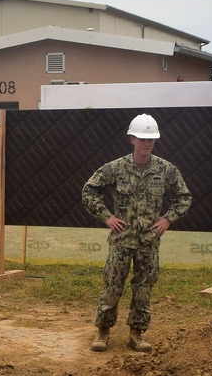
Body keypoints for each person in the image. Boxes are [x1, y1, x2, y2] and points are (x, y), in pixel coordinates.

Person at [80, 114, 191, 353]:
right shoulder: (116, 168)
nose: (147, 143)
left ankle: (136, 334)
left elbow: (184, 197)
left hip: (149, 242)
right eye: (142, 138)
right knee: (112, 286)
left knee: (143, 288)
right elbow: (89, 190)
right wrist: (107, 217)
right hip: (122, 240)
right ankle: (103, 331)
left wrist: (167, 219)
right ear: (132, 139)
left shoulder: (166, 170)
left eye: (151, 139)